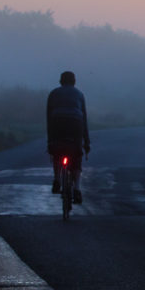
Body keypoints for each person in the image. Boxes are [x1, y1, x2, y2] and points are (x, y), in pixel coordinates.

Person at [46, 70, 90, 203]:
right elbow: (84, 119)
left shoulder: (53, 93)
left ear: (60, 82)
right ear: (74, 82)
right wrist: (86, 142)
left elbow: (48, 118)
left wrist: (50, 141)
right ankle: (76, 189)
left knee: (56, 151)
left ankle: (57, 179)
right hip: (76, 122)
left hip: (57, 121)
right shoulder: (79, 94)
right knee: (76, 156)